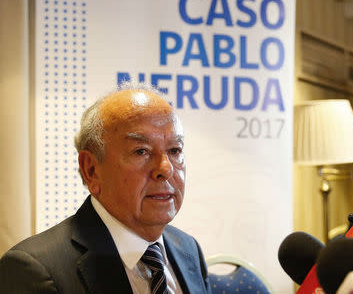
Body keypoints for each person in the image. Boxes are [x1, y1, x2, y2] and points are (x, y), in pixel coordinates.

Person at [0, 84, 211, 293]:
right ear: (91, 170)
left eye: (175, 150)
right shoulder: (35, 269)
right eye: (141, 151)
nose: (165, 169)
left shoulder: (188, 249)